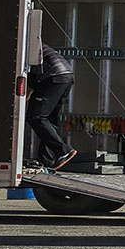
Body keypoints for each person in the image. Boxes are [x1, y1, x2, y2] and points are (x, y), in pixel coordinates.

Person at [26, 42, 77, 170]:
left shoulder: (23, 47)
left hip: (53, 76)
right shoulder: (34, 43)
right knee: (49, 119)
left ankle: (63, 150)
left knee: (35, 117)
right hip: (67, 75)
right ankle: (47, 160)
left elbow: (30, 80)